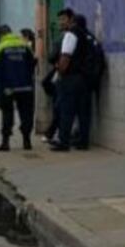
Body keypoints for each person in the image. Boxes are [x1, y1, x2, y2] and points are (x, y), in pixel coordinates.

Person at [51, 8, 92, 152]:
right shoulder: (86, 35)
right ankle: (83, 142)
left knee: (66, 110)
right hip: (85, 78)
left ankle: (64, 142)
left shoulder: (70, 34)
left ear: (71, 19)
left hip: (71, 77)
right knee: (83, 112)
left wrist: (60, 71)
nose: (60, 22)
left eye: (63, 19)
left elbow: (65, 56)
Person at [0, 25, 36, 152]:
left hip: (7, 88)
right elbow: (33, 63)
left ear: (1, 35)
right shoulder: (25, 46)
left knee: (7, 113)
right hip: (26, 86)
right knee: (26, 113)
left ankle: (5, 142)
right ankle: (27, 141)